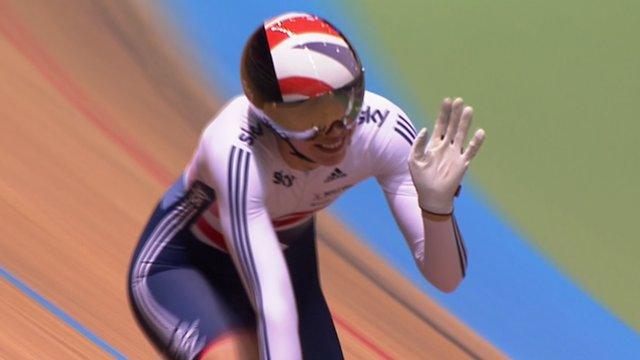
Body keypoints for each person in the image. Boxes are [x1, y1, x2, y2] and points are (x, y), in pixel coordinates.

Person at [128, 11, 485, 360]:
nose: (335, 131)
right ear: (266, 114)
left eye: (345, 103)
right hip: (184, 268)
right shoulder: (235, 149)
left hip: (288, 270)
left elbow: (446, 277)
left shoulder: (383, 130)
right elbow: (273, 299)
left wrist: (437, 210)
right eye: (307, 117)